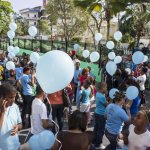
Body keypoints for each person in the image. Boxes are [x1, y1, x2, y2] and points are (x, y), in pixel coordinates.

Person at [0, 83, 22, 150]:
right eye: (10, 97)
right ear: (2, 97)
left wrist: (17, 127)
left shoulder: (15, 107)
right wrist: (3, 112)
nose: (13, 100)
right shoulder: (2, 111)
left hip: (16, 146)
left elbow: (20, 124)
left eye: (14, 97)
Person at [93, 82, 108, 150]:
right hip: (101, 114)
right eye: (106, 87)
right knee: (101, 130)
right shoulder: (102, 96)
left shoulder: (98, 94)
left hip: (97, 113)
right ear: (102, 88)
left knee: (96, 128)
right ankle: (98, 144)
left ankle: (94, 141)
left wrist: (105, 95)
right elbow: (106, 105)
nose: (106, 88)